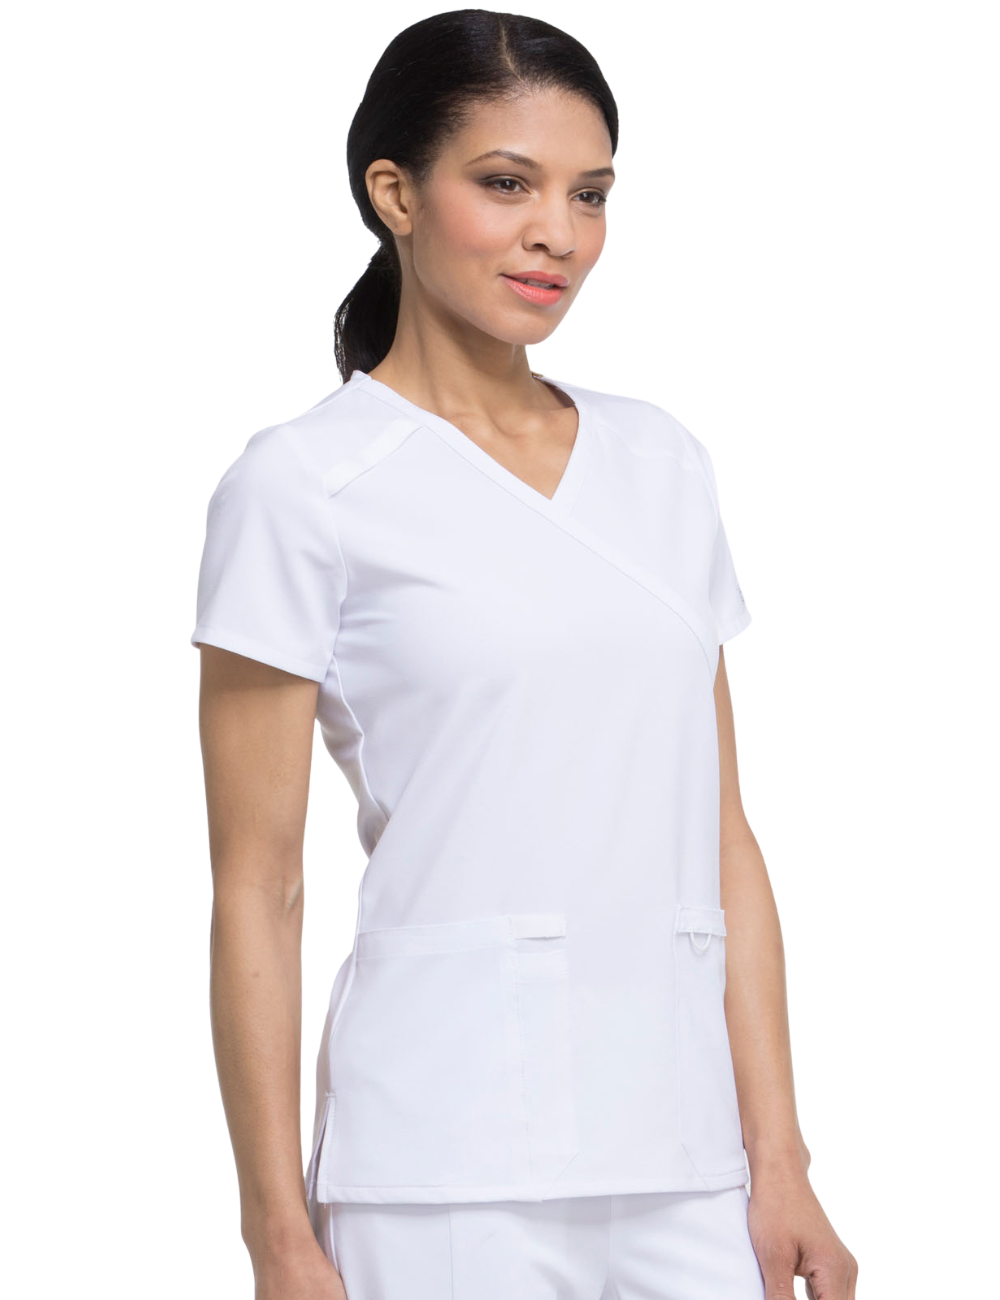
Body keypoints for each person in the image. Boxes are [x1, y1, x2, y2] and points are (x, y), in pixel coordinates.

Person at [190, 9, 858, 1300]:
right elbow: (257, 886)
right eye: (508, 184)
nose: (559, 231)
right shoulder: (302, 486)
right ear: (394, 194)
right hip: (441, 1167)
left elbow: (723, 835)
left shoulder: (662, 462)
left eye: (589, 194)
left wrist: (779, 1159)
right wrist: (277, 1235)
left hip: (686, 1162)